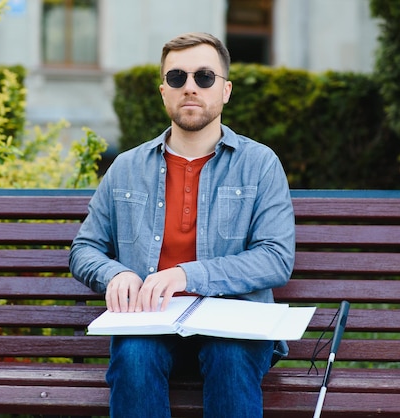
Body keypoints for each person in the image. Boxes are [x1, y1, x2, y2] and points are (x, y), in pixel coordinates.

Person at [69, 32, 295, 418]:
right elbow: (84, 249)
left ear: (225, 90)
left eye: (204, 77)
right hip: (150, 324)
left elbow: (275, 258)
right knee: (134, 357)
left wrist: (187, 275)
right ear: (163, 91)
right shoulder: (126, 167)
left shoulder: (260, 164)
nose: (190, 88)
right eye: (177, 78)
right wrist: (115, 274)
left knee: (230, 357)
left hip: (233, 323)